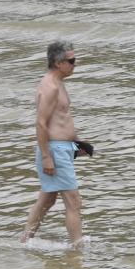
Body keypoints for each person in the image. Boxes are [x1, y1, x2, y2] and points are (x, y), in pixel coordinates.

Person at [21, 40, 84, 246]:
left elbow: (62, 118)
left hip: (62, 148)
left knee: (47, 199)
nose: (75, 64)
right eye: (72, 60)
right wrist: (47, 156)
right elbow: (40, 123)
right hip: (54, 150)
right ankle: (77, 249)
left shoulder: (58, 84)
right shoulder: (50, 87)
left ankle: (25, 241)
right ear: (59, 63)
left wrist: (77, 143)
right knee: (74, 202)